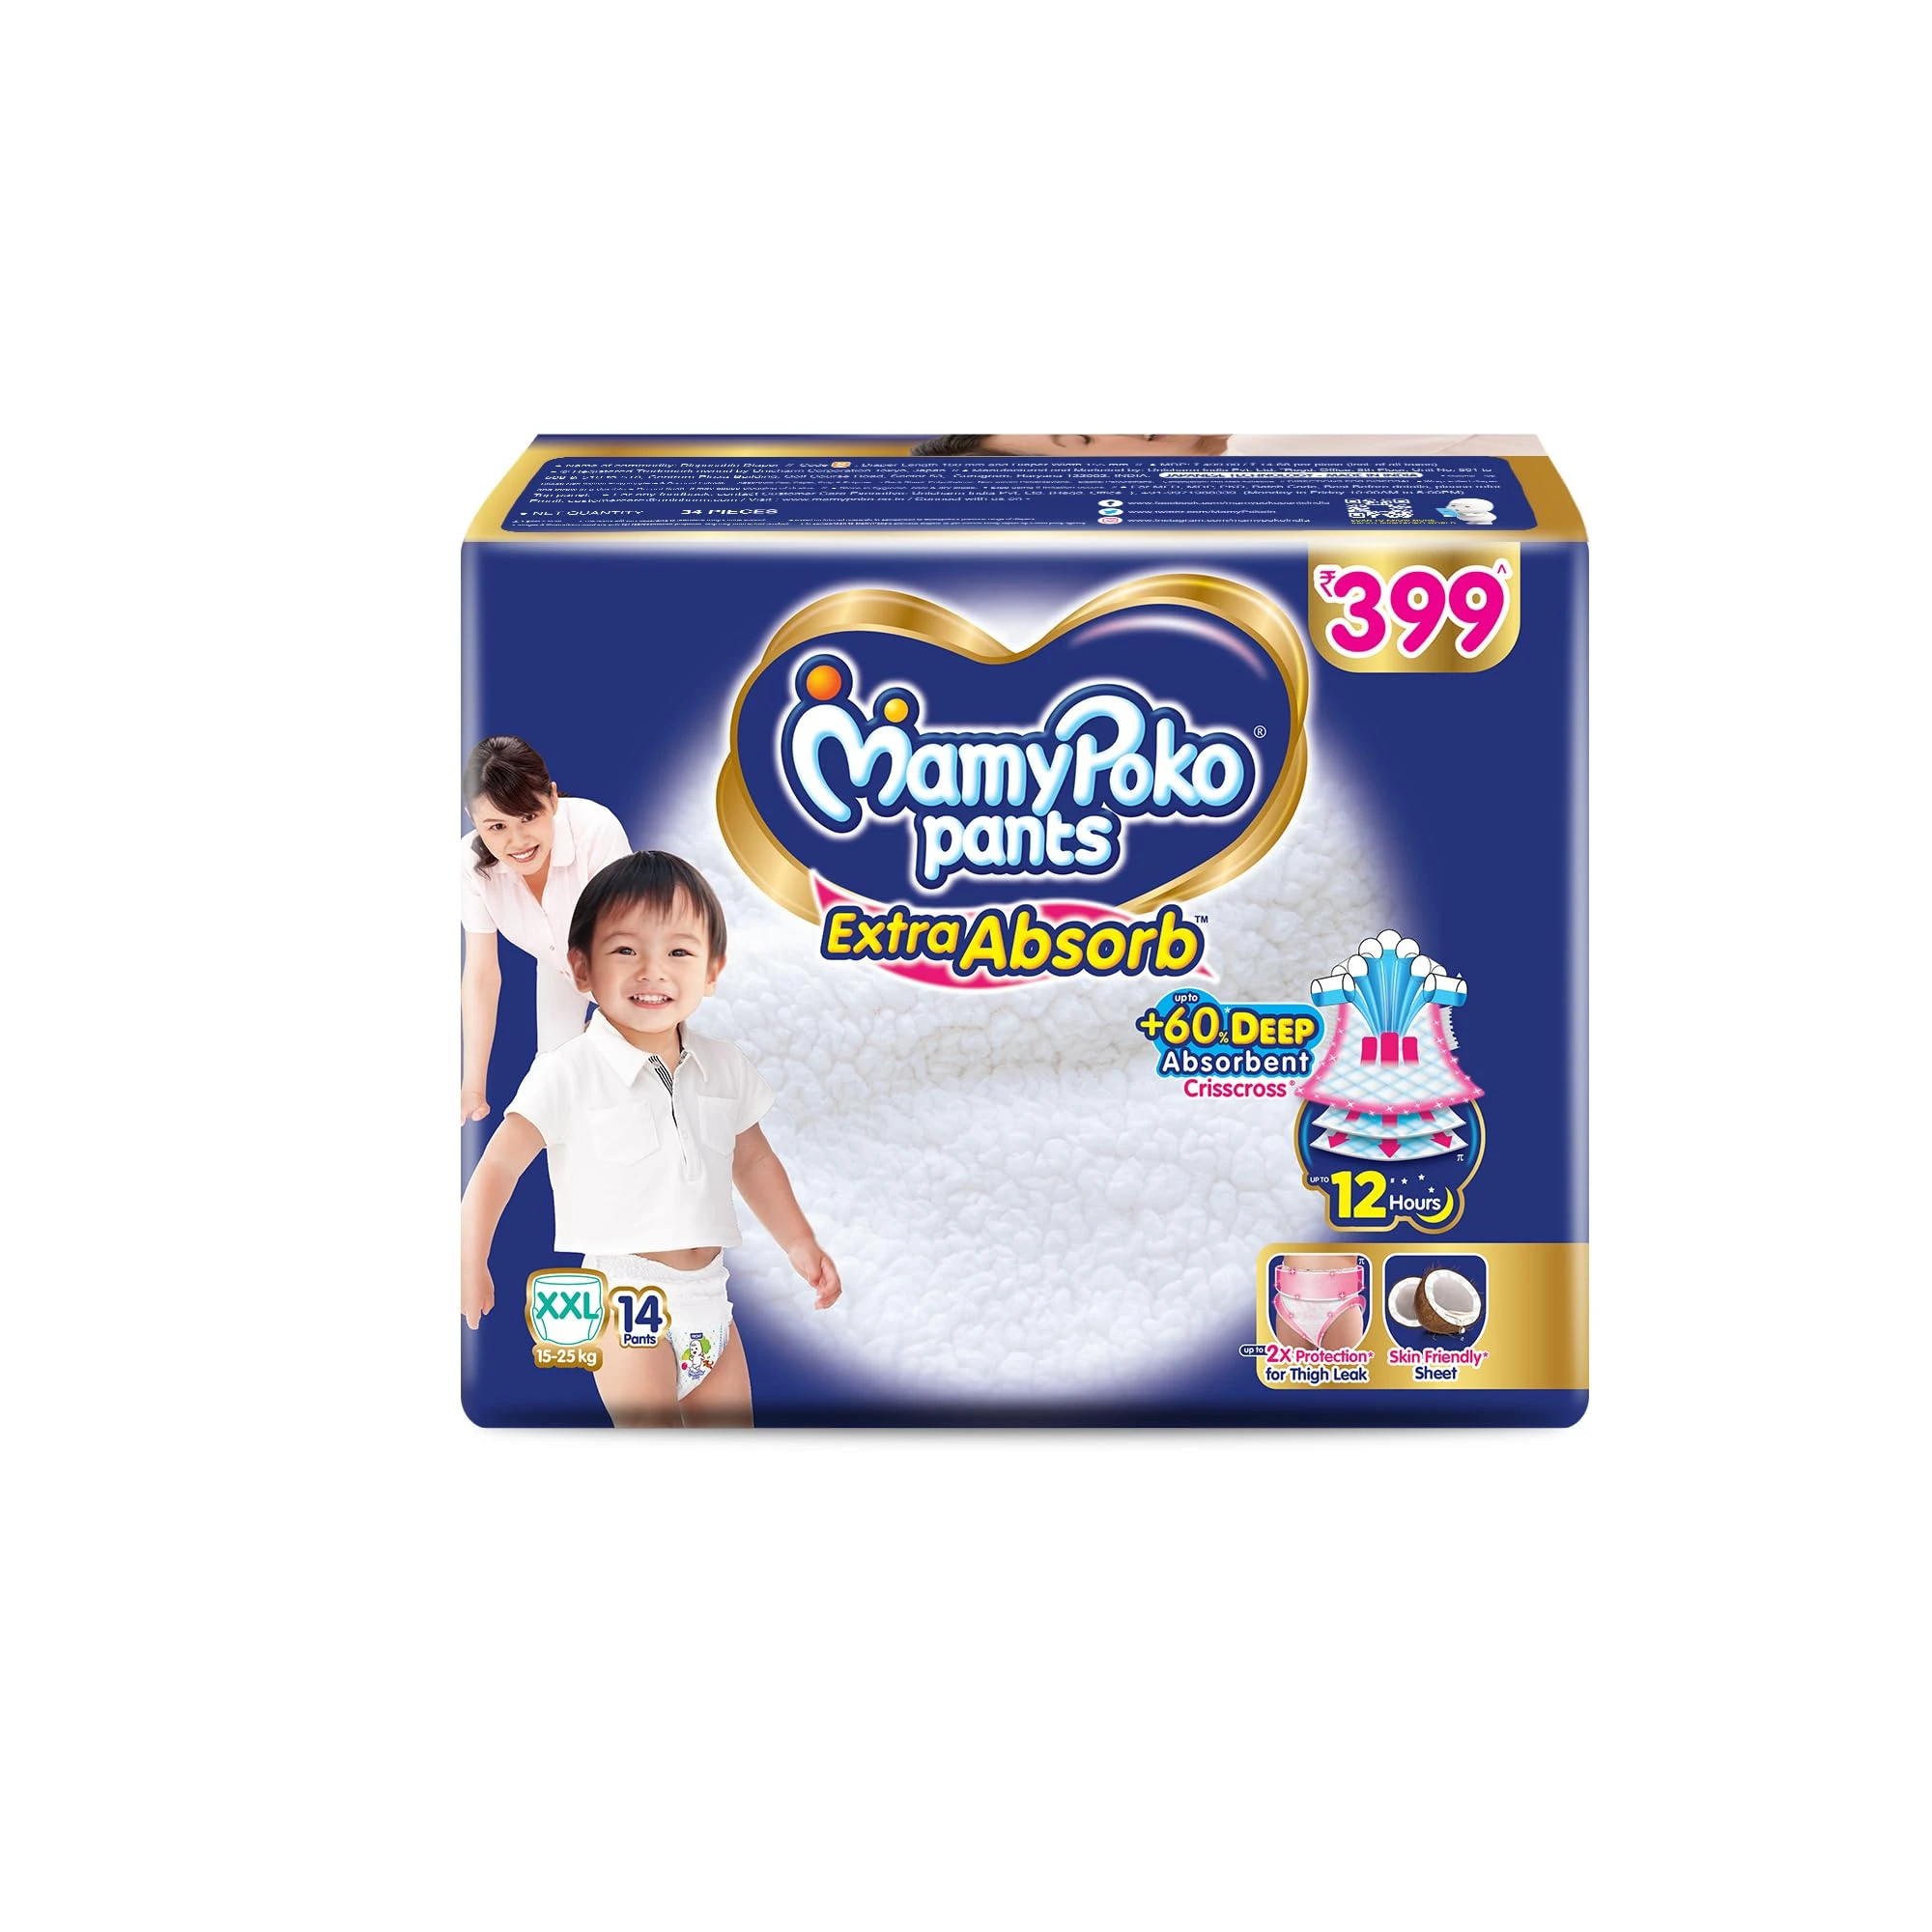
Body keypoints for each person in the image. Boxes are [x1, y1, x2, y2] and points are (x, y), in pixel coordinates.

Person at [459, 850, 841, 1427]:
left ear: (712, 970)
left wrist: (799, 1242)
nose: (652, 971)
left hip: (711, 1301)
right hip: (625, 1298)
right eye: (625, 951)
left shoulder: (724, 1066)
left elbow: (755, 1160)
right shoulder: (569, 1070)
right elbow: (499, 1166)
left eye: (679, 952)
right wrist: (470, 1257)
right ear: (581, 969)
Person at [459, 736, 631, 1122]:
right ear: (473, 819)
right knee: (552, 1089)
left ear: (552, 799)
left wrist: (602, 1034)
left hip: (634, 968)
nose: (517, 841)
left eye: (528, 817)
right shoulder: (470, 866)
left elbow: (627, 946)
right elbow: (482, 975)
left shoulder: (595, 830)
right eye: (496, 826)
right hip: (559, 969)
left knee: (634, 1080)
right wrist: (473, 1088)